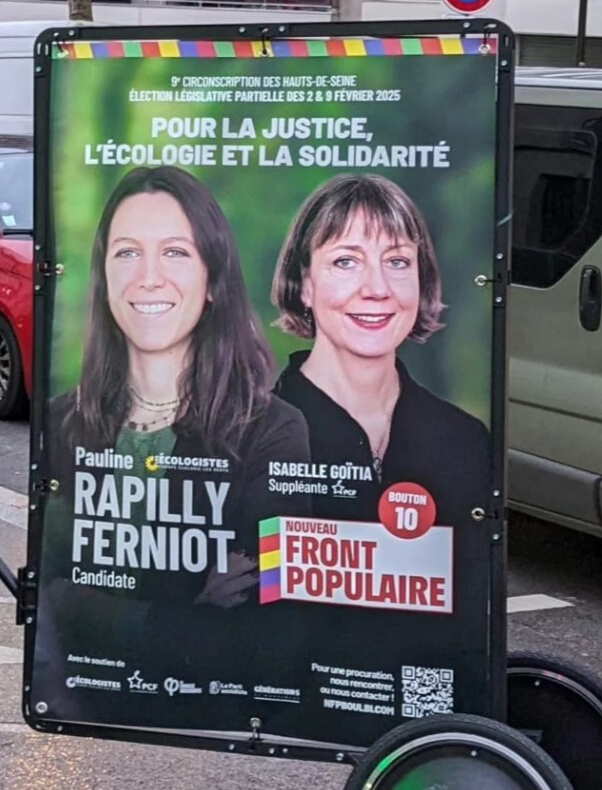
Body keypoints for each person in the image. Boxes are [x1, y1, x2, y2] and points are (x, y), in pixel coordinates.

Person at [50, 166, 311, 611]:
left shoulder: (273, 433)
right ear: (104, 277)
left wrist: (93, 609)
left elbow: (256, 616)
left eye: (175, 252)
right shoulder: (61, 421)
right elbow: (50, 592)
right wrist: (190, 609)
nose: (148, 276)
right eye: (127, 252)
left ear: (213, 279)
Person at [270, 173, 490, 529]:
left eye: (397, 262)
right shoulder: (245, 439)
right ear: (305, 285)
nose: (377, 288)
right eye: (346, 261)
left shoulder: (465, 439)